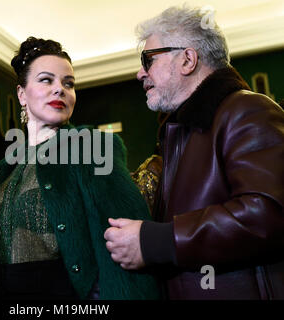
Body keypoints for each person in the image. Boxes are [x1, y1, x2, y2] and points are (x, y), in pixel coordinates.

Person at [104, 5, 284, 300]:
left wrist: (155, 241)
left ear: (187, 59)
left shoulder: (248, 109)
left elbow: (268, 214)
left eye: (148, 60)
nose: (140, 73)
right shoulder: (181, 134)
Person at [0, 36, 160, 300]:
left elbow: (127, 241)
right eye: (46, 80)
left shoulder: (92, 147)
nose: (60, 89)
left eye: (68, 84)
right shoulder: (4, 168)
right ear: (22, 94)